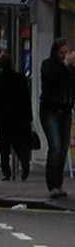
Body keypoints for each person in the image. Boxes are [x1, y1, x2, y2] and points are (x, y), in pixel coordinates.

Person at [0, 52, 32, 181]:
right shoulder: (20, 79)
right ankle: (24, 164)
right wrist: (29, 117)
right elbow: (26, 99)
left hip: (3, 119)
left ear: (0, 65)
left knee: (4, 147)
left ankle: (6, 172)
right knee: (18, 144)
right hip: (18, 118)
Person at [39, 38, 75, 198]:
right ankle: (52, 185)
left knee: (63, 148)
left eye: (66, 52)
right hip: (50, 111)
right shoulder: (48, 65)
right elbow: (52, 80)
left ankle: (58, 184)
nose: (65, 54)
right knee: (55, 146)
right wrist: (66, 65)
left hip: (65, 111)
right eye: (63, 52)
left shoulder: (69, 69)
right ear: (57, 51)